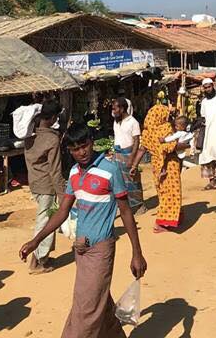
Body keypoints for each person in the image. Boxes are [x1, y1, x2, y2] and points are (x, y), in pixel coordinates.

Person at [19, 124, 147, 337]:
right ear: (69, 150)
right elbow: (62, 212)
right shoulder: (74, 173)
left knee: (86, 310)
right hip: (80, 249)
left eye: (84, 145)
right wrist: (36, 240)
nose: (81, 152)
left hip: (101, 250)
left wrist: (137, 253)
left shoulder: (110, 169)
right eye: (75, 148)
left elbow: (125, 212)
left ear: (91, 142)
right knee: (98, 302)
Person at [23, 100, 65, 274]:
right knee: (46, 222)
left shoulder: (29, 136)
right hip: (47, 185)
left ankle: (43, 256)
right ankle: (37, 260)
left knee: (45, 218)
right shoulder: (52, 139)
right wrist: (62, 194)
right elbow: (55, 170)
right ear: (54, 117)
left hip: (34, 182)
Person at [140, 105, 187, 232]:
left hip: (157, 165)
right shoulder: (166, 128)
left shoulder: (146, 133)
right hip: (169, 163)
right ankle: (161, 223)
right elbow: (171, 146)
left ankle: (174, 217)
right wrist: (185, 145)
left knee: (163, 192)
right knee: (172, 192)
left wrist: (133, 165)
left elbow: (142, 149)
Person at [110, 97, 145, 214]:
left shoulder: (133, 122)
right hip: (117, 154)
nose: (113, 111)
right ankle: (125, 205)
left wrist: (132, 158)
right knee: (119, 182)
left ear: (122, 108)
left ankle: (139, 204)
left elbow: (136, 141)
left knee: (133, 180)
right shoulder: (116, 121)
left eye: (115, 108)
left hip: (129, 153)